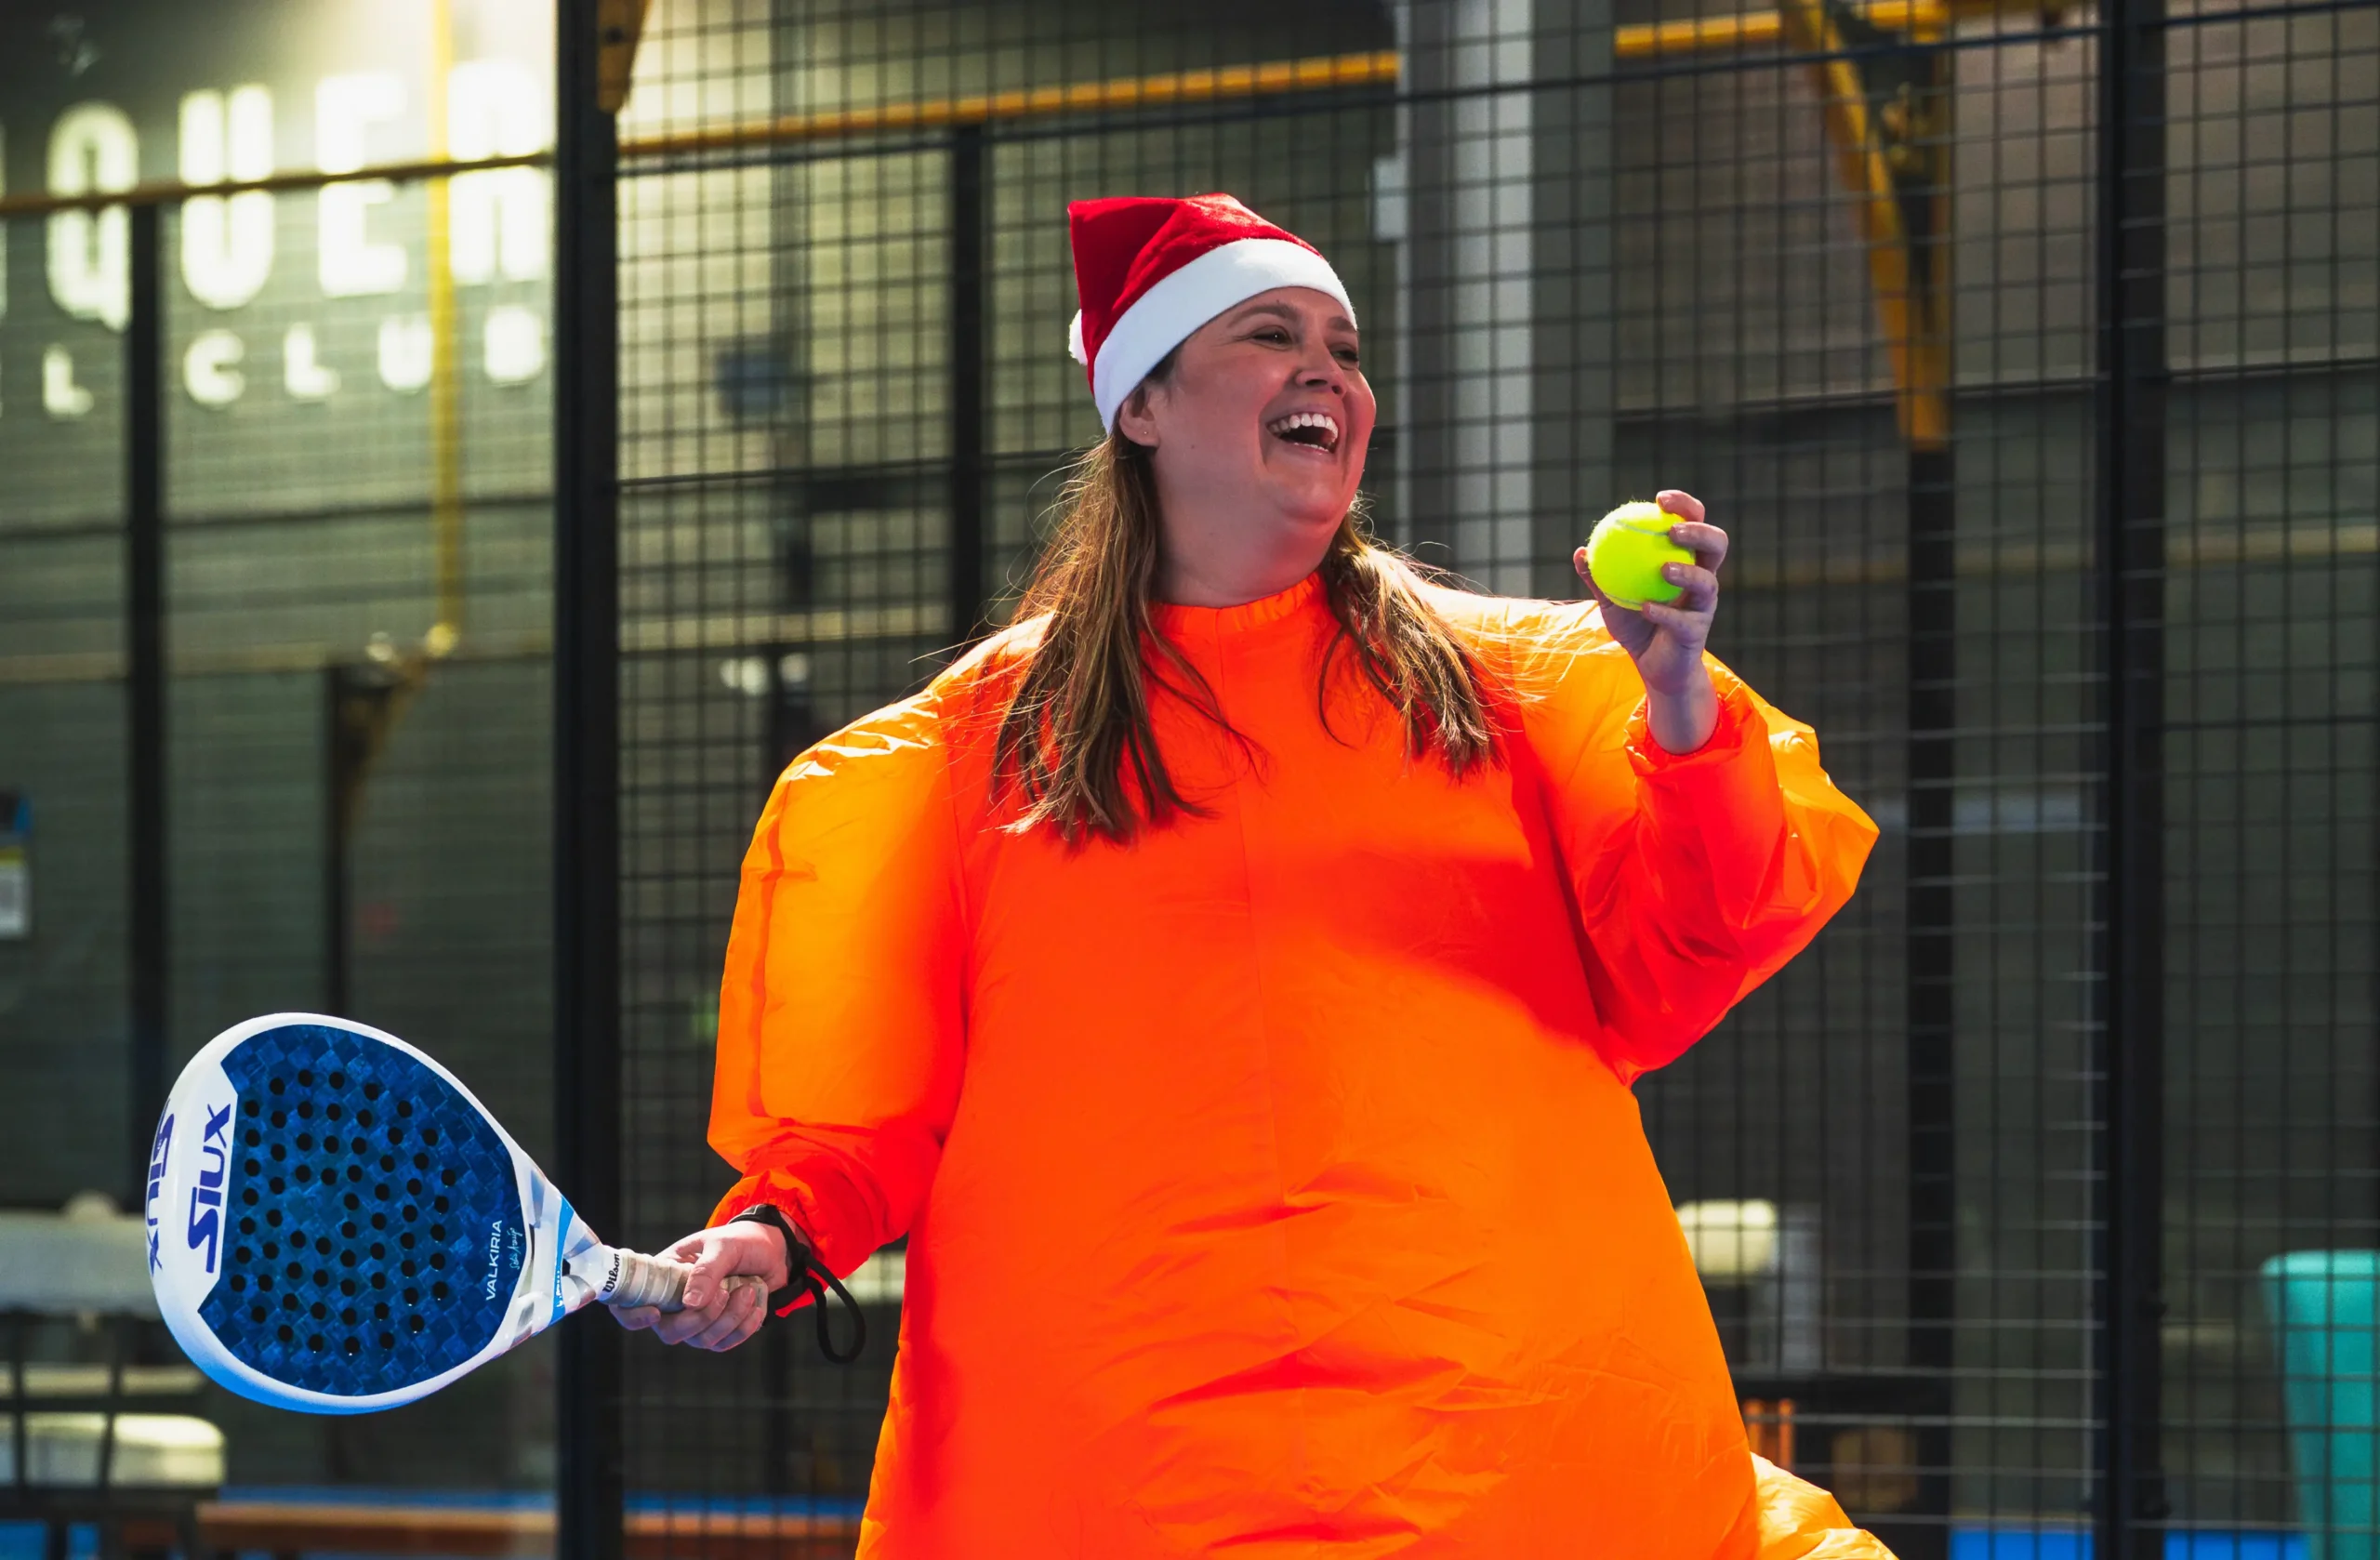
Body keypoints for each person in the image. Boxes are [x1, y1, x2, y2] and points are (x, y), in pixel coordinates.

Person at [615, 192, 1888, 1558]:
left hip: (1495, 1450)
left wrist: (1681, 701)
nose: (1326, 372)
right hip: (1123, 1468)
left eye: (1345, 348)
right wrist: (778, 1232)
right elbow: (865, 1112)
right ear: (1142, 405)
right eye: (1271, 334)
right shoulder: (971, 748)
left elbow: (1702, 931)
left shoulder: (1528, 687)